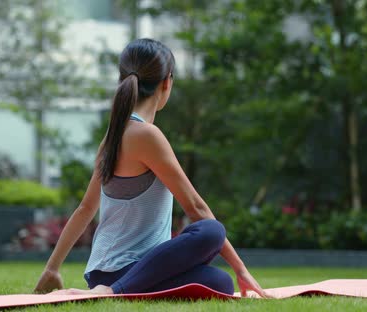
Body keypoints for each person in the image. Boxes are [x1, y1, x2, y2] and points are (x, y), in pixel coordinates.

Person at [33, 38, 268, 298]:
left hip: (115, 270)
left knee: (219, 283)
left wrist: (52, 268)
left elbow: (85, 208)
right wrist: (242, 270)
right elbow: (197, 209)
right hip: (125, 271)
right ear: (167, 82)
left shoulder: (112, 136)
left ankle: (115, 287)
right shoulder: (147, 136)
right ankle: (112, 291)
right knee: (212, 231)